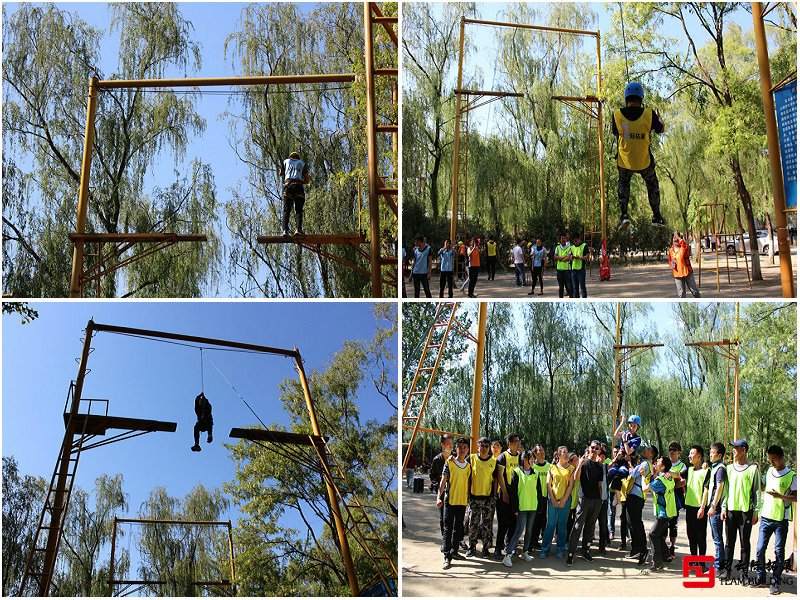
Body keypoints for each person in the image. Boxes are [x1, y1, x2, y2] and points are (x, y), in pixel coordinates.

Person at [612, 82, 666, 230]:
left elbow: (616, 133)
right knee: (652, 184)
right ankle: (656, 216)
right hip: (644, 162)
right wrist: (660, 119)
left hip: (625, 161)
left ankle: (624, 216)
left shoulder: (616, 114)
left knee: (623, 183)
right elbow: (660, 129)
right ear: (641, 97)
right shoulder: (650, 114)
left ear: (626, 98)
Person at [753, 445, 796, 594]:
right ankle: (760, 577)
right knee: (759, 549)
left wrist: (781, 496)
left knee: (779, 551)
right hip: (766, 517)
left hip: (780, 520)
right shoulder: (770, 471)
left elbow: (796, 496)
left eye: (774, 460)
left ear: (782, 458)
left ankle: (775, 582)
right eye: (770, 460)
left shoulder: (791, 475)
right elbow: (762, 483)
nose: (772, 463)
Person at [721, 439, 761, 583]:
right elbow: (725, 490)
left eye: (736, 448)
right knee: (729, 543)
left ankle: (744, 573)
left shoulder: (753, 469)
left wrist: (756, 511)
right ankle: (727, 570)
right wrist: (723, 507)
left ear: (744, 450)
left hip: (746, 511)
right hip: (731, 510)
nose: (733, 451)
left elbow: (757, 491)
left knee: (745, 543)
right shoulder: (729, 468)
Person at [466, 437, 508, 558]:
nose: (483, 448)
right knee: (472, 524)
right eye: (481, 446)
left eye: (486, 446)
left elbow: (496, 479)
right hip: (474, 497)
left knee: (487, 525)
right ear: (478, 447)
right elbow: (467, 476)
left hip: (488, 498)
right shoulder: (471, 459)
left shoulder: (493, 462)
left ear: (489, 447)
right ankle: (472, 547)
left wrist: (494, 495)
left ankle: (485, 547)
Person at [566, 441, 604, 566]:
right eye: (592, 447)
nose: (594, 450)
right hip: (584, 499)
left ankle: (585, 550)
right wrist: (580, 464)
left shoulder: (599, 466)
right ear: (589, 448)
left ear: (599, 450)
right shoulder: (583, 463)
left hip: (596, 500)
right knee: (577, 526)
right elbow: (576, 477)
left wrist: (601, 499)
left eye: (596, 448)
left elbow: (600, 485)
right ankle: (571, 553)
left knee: (590, 526)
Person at [437, 438, 471, 569]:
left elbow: (468, 483)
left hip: (462, 502)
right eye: (459, 447)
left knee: (458, 528)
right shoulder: (449, 463)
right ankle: (447, 556)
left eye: (464, 447)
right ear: (455, 449)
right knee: (448, 528)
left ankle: (454, 551)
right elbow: (443, 481)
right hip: (450, 501)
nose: (462, 450)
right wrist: (438, 497)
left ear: (467, 450)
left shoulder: (468, 466)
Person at [502, 450, 538, 566]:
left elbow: (539, 491)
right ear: (524, 459)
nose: (532, 460)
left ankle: (525, 551)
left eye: (533, 458)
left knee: (529, 530)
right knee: (519, 530)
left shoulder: (535, 473)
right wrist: (515, 508)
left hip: (533, 506)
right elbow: (513, 493)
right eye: (530, 458)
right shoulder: (516, 472)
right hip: (522, 507)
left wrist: (540, 506)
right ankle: (508, 555)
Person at [540, 446, 576, 559]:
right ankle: (545, 549)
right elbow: (548, 484)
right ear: (558, 455)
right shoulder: (552, 467)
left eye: (567, 452)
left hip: (565, 501)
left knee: (562, 526)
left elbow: (571, 485)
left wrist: (564, 499)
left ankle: (560, 549)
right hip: (553, 501)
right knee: (550, 525)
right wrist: (553, 499)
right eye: (564, 452)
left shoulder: (571, 468)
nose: (566, 454)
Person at [642, 456, 676, 572]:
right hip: (669, 511)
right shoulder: (668, 477)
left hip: (664, 512)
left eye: (658, 462)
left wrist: (643, 477)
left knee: (652, 534)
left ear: (663, 466)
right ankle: (666, 556)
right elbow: (675, 474)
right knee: (658, 535)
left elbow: (645, 489)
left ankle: (657, 564)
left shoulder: (660, 480)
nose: (656, 463)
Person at [494, 433, 522, 559]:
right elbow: (500, 475)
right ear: (509, 444)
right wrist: (505, 493)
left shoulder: (521, 457)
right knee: (503, 523)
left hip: (517, 494)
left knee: (514, 522)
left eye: (518, 441)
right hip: (505, 492)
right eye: (516, 441)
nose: (518, 443)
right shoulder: (503, 457)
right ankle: (498, 548)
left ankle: (509, 546)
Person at [629, 445, 656, 563]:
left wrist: (630, 464)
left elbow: (633, 474)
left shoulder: (645, 464)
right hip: (637, 495)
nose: (645, 450)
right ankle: (636, 548)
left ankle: (643, 549)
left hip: (636, 494)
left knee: (636, 523)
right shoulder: (647, 464)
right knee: (632, 522)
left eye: (648, 450)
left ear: (651, 455)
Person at [684, 445, 710, 564]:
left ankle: (702, 562)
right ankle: (694, 558)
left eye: (692, 453)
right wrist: (668, 473)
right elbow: (678, 476)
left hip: (700, 508)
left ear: (699, 456)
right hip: (689, 506)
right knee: (691, 534)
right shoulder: (689, 470)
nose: (689, 456)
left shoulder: (706, 471)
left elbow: (706, 490)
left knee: (700, 535)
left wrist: (703, 507)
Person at [706, 442, 728, 577]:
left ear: (719, 455)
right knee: (716, 537)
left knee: (717, 538)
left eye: (713, 453)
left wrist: (713, 506)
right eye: (710, 452)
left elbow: (719, 488)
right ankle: (719, 564)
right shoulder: (714, 467)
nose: (710, 455)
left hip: (716, 508)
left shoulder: (720, 468)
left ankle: (718, 566)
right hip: (713, 507)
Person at [280, 151, 311, 236]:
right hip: (298, 187)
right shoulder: (302, 163)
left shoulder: (285, 161)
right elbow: (307, 180)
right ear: (298, 158)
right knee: (298, 210)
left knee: (286, 210)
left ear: (290, 157)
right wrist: (301, 181)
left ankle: (285, 231)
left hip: (288, 186)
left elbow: (281, 173)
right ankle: (298, 230)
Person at [667, 441, 688, 559]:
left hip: (675, 497)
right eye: (670, 449)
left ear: (679, 453)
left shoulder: (682, 466)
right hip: (664, 497)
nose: (671, 451)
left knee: (673, 523)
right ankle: (663, 546)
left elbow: (683, 481)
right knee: (662, 522)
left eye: (674, 449)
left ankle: (672, 546)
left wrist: (672, 486)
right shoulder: (665, 463)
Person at [430, 435, 453, 535]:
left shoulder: (455, 457)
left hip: (454, 490)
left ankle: (458, 539)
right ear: (442, 445)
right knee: (443, 516)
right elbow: (432, 476)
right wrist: (438, 486)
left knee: (455, 516)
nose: (450, 445)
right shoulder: (437, 460)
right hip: (442, 491)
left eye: (452, 443)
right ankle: (445, 538)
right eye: (448, 443)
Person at [668, 231, 701, 298]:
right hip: (677, 274)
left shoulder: (683, 247)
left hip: (687, 273)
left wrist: (681, 240)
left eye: (677, 237)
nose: (675, 239)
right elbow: (670, 260)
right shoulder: (671, 250)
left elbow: (686, 248)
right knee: (681, 294)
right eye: (674, 238)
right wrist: (672, 264)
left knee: (694, 291)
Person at [530, 444, 549, 551]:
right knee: (534, 521)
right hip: (535, 497)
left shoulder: (549, 466)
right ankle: (532, 541)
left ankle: (537, 541)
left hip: (545, 497)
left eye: (542, 450)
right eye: (539, 450)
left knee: (543, 520)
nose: (542, 452)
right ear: (535, 454)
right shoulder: (533, 466)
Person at [570, 232, 590, 298]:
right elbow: (569, 257)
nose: (575, 242)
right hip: (573, 270)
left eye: (576, 240)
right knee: (575, 289)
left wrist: (580, 258)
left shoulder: (584, 245)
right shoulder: (572, 247)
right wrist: (571, 257)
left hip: (581, 270)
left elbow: (587, 257)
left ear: (578, 239)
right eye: (573, 241)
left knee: (582, 288)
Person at [554, 233, 573, 298]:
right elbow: (555, 257)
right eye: (562, 238)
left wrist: (560, 258)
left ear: (566, 239)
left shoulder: (569, 247)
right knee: (561, 287)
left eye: (564, 238)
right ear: (560, 240)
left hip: (567, 270)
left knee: (569, 287)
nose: (563, 240)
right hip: (559, 270)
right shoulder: (557, 247)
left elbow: (568, 258)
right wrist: (563, 257)